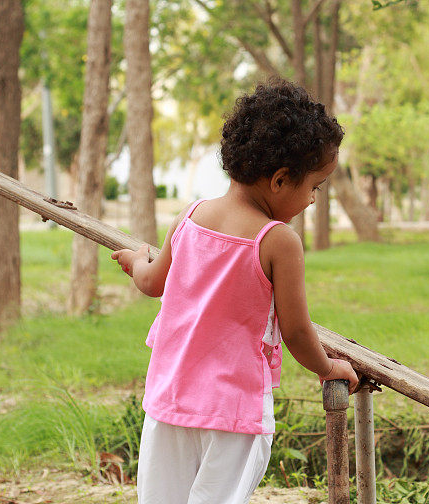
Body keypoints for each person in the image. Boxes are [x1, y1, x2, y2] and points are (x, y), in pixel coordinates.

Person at [111, 78, 359, 504]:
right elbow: (297, 331)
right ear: (281, 180)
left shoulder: (189, 218)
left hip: (169, 402)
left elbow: (153, 283)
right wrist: (327, 368)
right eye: (314, 187)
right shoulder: (277, 241)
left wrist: (137, 260)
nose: (314, 199)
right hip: (233, 412)